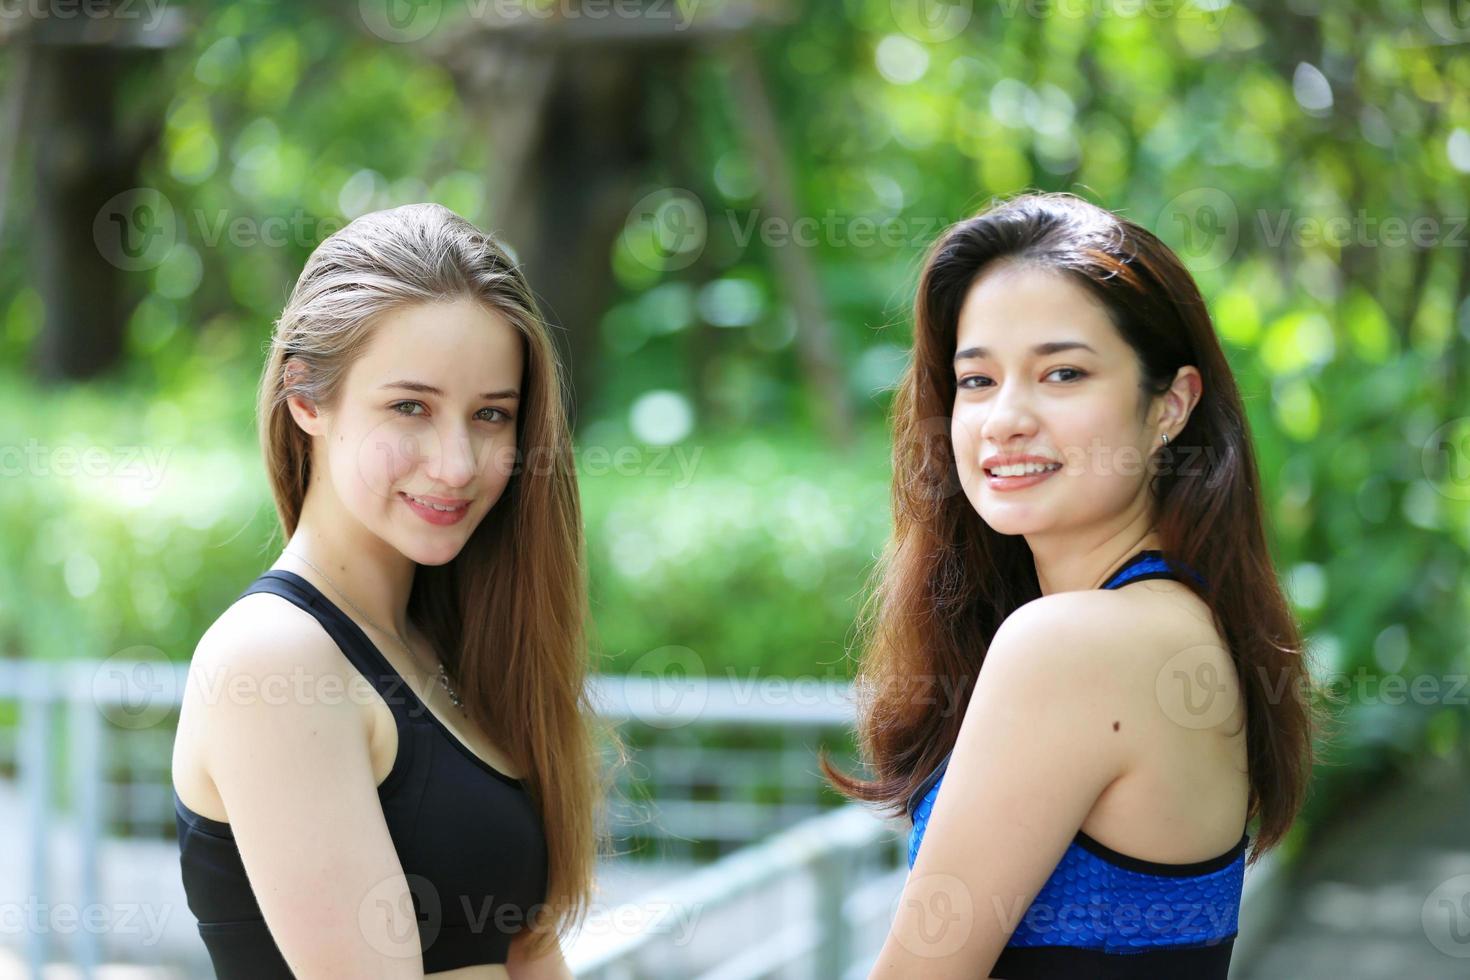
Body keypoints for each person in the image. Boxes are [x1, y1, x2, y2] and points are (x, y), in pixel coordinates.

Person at [823, 191, 1324, 978]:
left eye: (1062, 373)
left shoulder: (1077, 643)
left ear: (1171, 404)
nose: (1006, 418)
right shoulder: (1179, 619)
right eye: (977, 381)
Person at [170, 203, 610, 978]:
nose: (457, 463)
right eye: (410, 407)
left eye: (491, 416)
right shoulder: (275, 661)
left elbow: (531, 952)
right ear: (306, 397)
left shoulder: (445, 643)